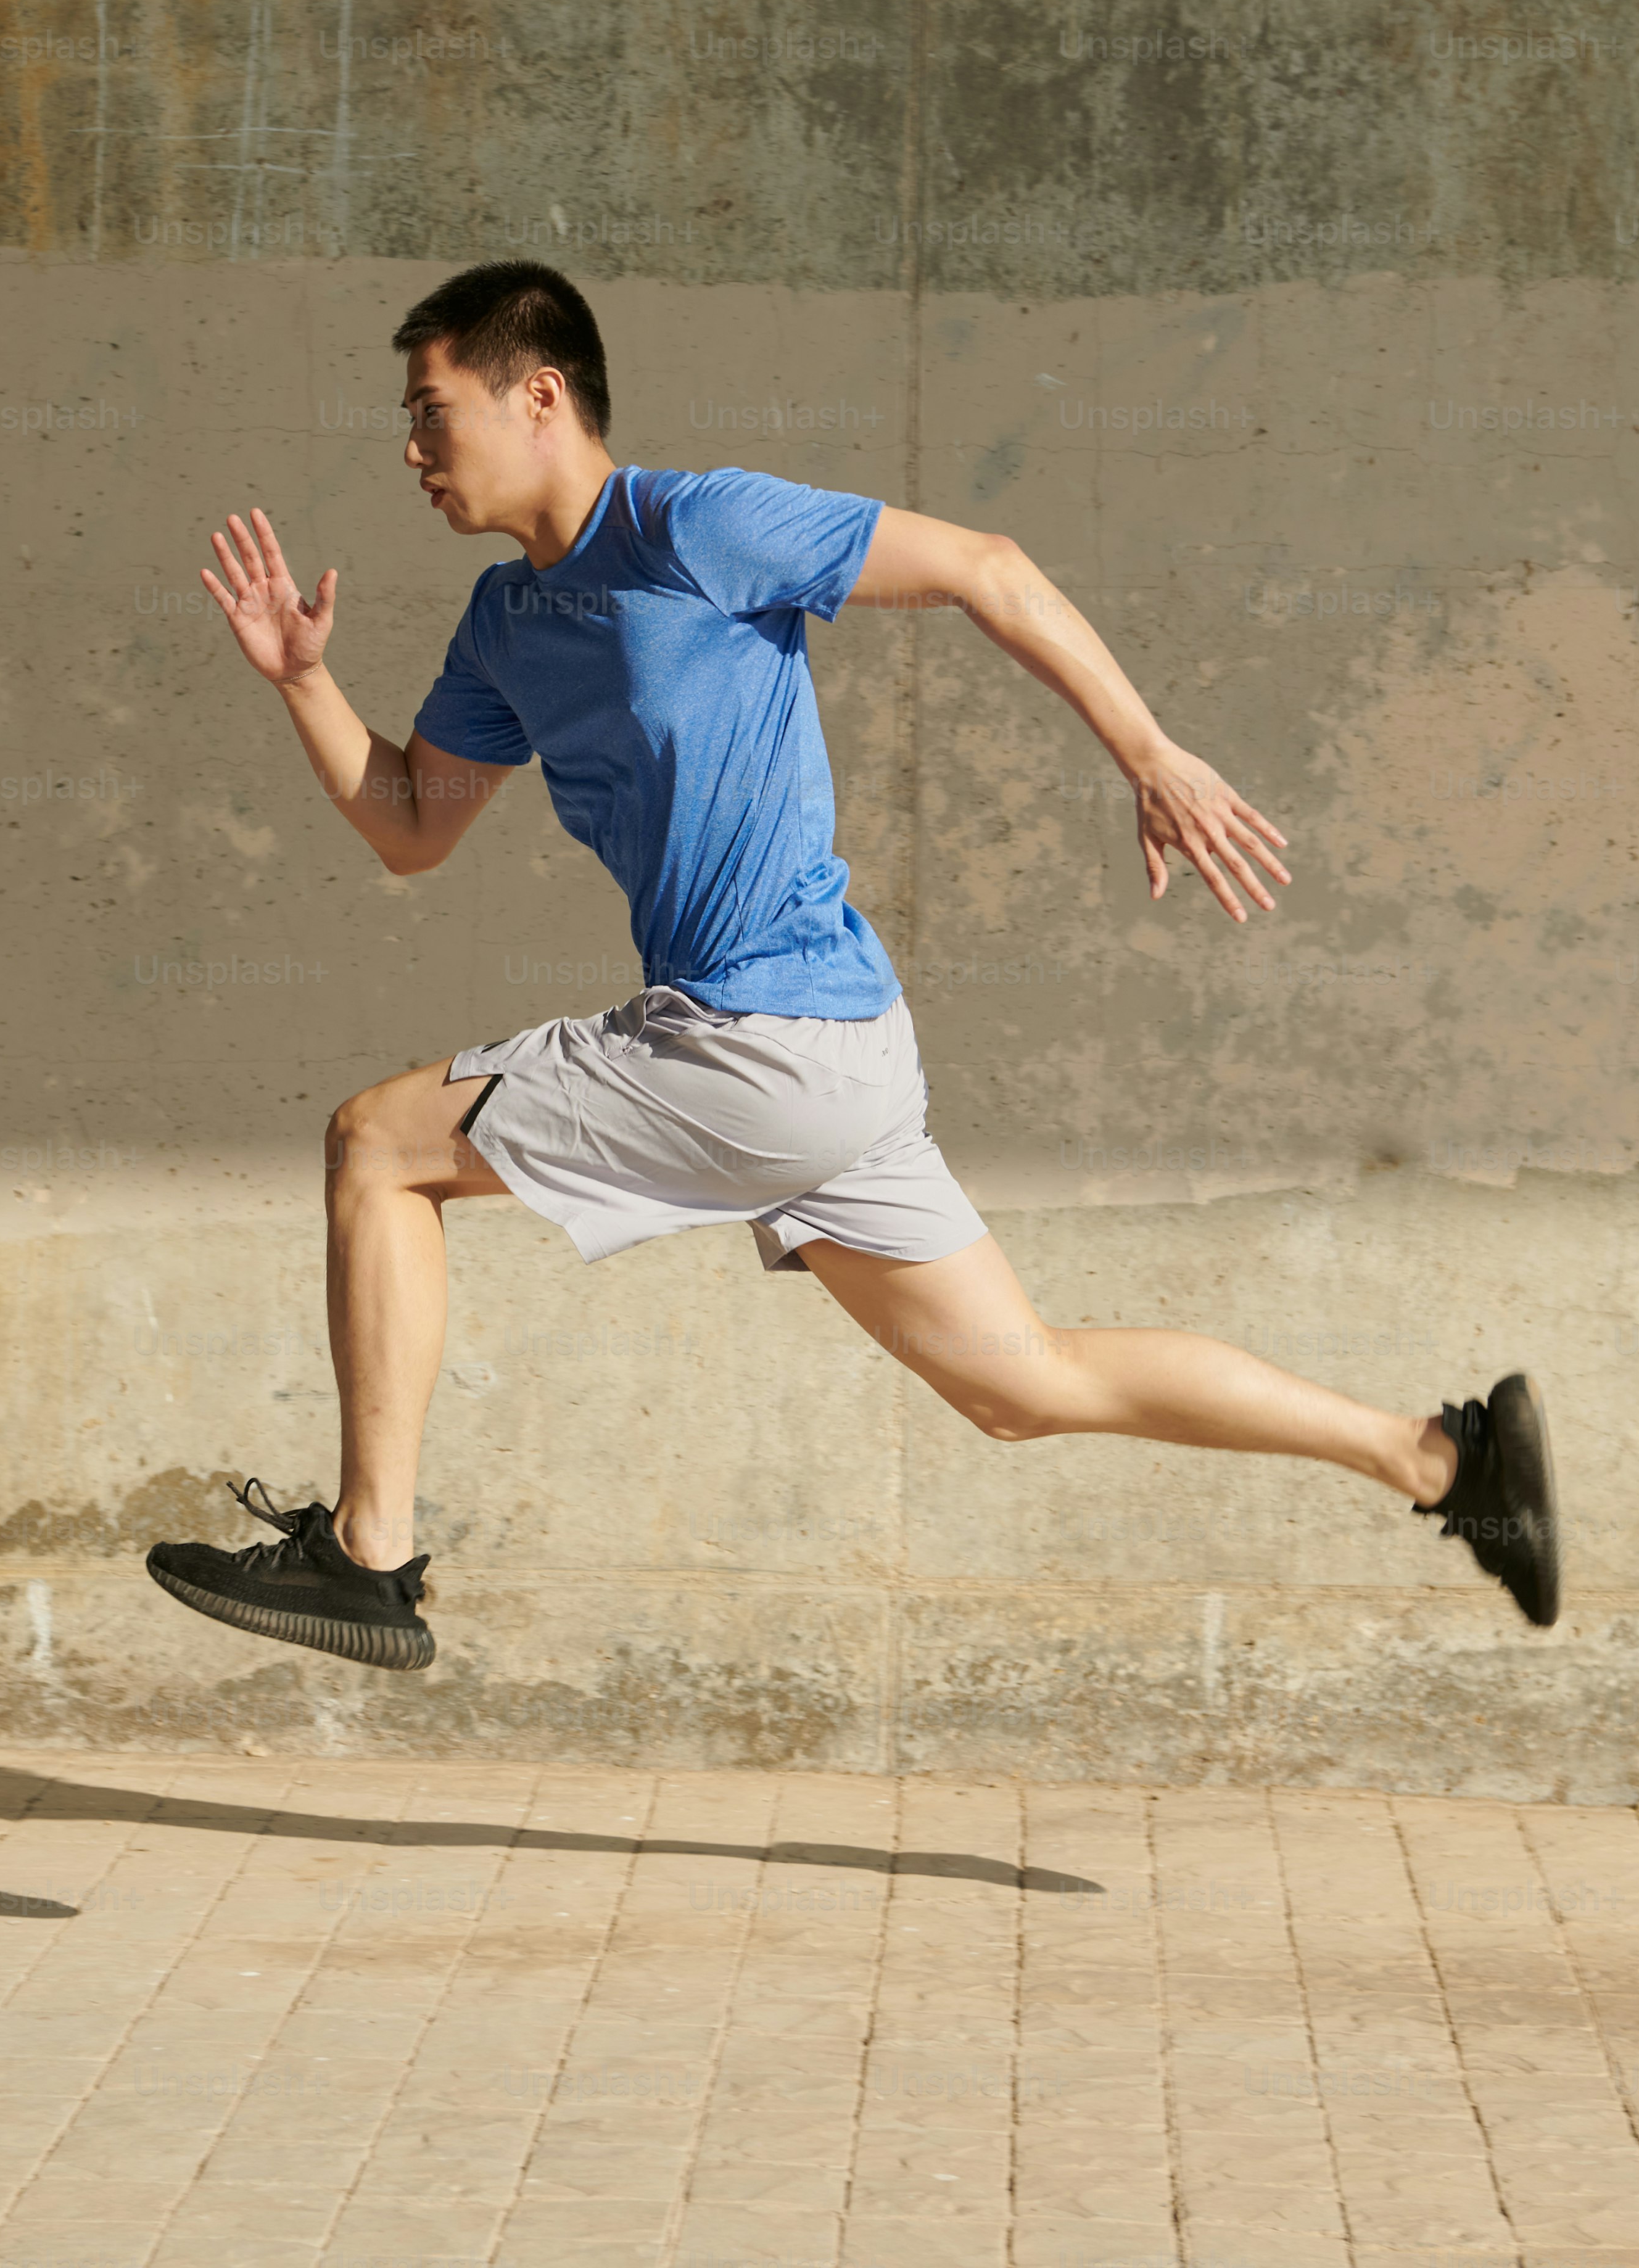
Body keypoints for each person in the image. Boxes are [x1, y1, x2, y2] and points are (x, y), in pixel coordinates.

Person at [142, 261, 1556, 1673]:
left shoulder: (693, 523)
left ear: (541, 396)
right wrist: (301, 681)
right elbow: (411, 825)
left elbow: (984, 566)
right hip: (830, 1061)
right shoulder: (508, 625)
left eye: (431, 410)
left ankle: (369, 1554)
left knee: (376, 1146)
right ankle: (1438, 1457)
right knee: (1021, 1382)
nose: (411, 450)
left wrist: (1151, 753)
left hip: (761, 1041)